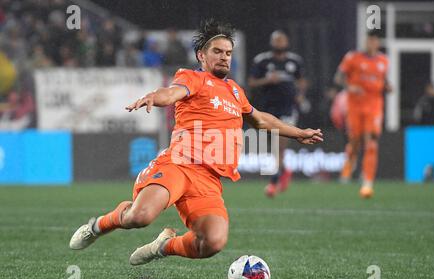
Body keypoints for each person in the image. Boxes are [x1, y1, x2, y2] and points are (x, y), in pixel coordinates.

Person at [69, 19, 323, 265]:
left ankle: (163, 246)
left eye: (228, 52)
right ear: (202, 55)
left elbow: (260, 120)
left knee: (212, 242)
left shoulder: (235, 91)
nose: (225, 56)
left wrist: (298, 132)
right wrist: (154, 97)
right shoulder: (193, 78)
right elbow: (172, 93)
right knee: (140, 216)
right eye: (218, 51)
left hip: (209, 181)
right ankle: (97, 226)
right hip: (179, 166)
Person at [334, 30, 391, 198]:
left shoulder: (384, 61)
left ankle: (367, 180)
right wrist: (349, 87)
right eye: (368, 40)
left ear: (378, 43)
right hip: (354, 107)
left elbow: (384, 81)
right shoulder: (353, 57)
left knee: (371, 141)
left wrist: (388, 87)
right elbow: (338, 78)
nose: (371, 43)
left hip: (374, 107)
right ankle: (348, 169)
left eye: (374, 40)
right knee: (355, 141)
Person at [248, 30, 305, 197]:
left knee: (279, 144)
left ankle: (273, 183)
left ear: (286, 42)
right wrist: (267, 80)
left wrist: (300, 94)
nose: (280, 43)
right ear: (272, 43)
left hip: (287, 109)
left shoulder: (295, 61)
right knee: (272, 147)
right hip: (268, 110)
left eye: (282, 40)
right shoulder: (262, 61)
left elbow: (302, 81)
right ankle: (285, 170)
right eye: (277, 40)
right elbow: (251, 82)